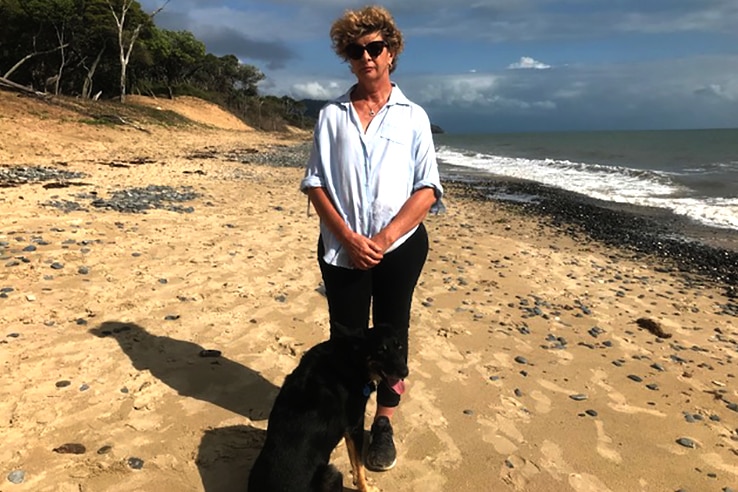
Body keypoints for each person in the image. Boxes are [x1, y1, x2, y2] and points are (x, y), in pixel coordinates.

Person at [299, 5, 444, 473]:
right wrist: (347, 236)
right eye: (356, 50)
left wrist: (382, 238)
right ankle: (347, 420)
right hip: (341, 249)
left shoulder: (413, 117)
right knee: (346, 339)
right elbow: (316, 182)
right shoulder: (332, 116)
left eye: (374, 47)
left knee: (391, 337)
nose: (366, 56)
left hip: (399, 248)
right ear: (348, 56)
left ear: (391, 52)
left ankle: (382, 422)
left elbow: (427, 188)